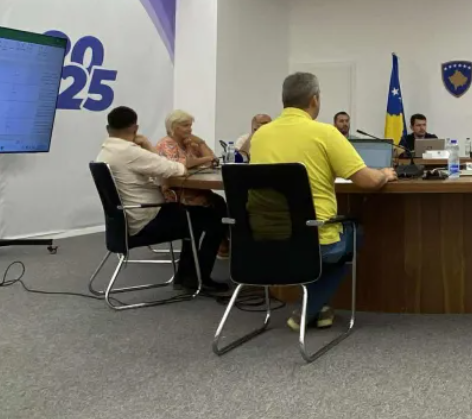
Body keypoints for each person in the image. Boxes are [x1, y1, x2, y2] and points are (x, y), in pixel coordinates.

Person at [250, 72, 397, 330]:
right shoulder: (325, 133)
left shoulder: (260, 135)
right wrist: (384, 173)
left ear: (284, 99)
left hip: (266, 235)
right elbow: (368, 181)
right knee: (354, 234)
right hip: (314, 238)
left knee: (320, 244)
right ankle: (307, 310)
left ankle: (322, 307)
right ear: (314, 100)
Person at [96, 106, 227, 292]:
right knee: (213, 217)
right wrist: (147, 144)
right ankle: (198, 278)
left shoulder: (105, 151)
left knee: (197, 213)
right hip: (146, 219)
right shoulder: (130, 152)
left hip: (127, 219)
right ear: (135, 128)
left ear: (108, 129)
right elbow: (175, 168)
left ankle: (187, 277)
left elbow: (159, 172)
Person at [156, 110, 230, 258]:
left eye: (190, 125)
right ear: (174, 127)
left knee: (220, 204)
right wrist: (205, 159)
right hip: (176, 194)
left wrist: (201, 142)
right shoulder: (166, 144)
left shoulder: (189, 143)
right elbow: (181, 164)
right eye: (185, 125)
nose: (190, 129)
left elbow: (212, 159)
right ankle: (219, 244)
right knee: (215, 211)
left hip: (194, 190)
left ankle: (223, 242)